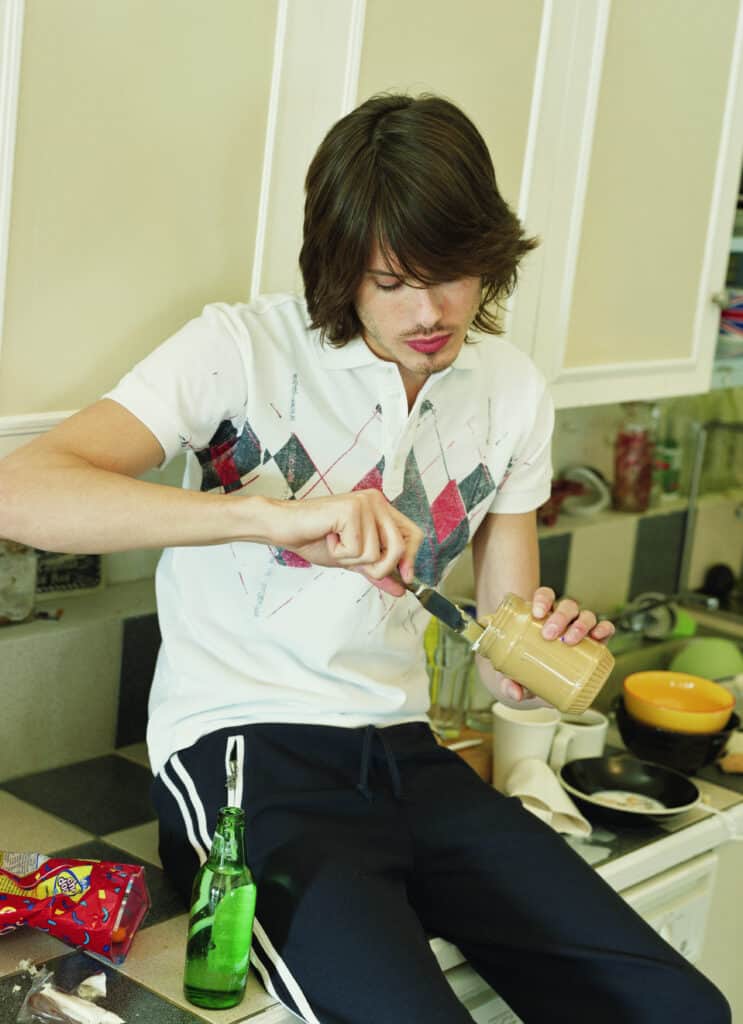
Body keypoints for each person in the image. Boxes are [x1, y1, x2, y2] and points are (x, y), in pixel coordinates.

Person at [0, 93, 729, 1024]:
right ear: (341, 267)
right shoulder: (241, 352)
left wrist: (536, 657)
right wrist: (268, 519)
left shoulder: (509, 391)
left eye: (454, 274)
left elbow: (504, 650)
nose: (428, 312)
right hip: (242, 759)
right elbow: (22, 491)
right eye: (391, 281)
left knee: (679, 1010)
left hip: (406, 753)